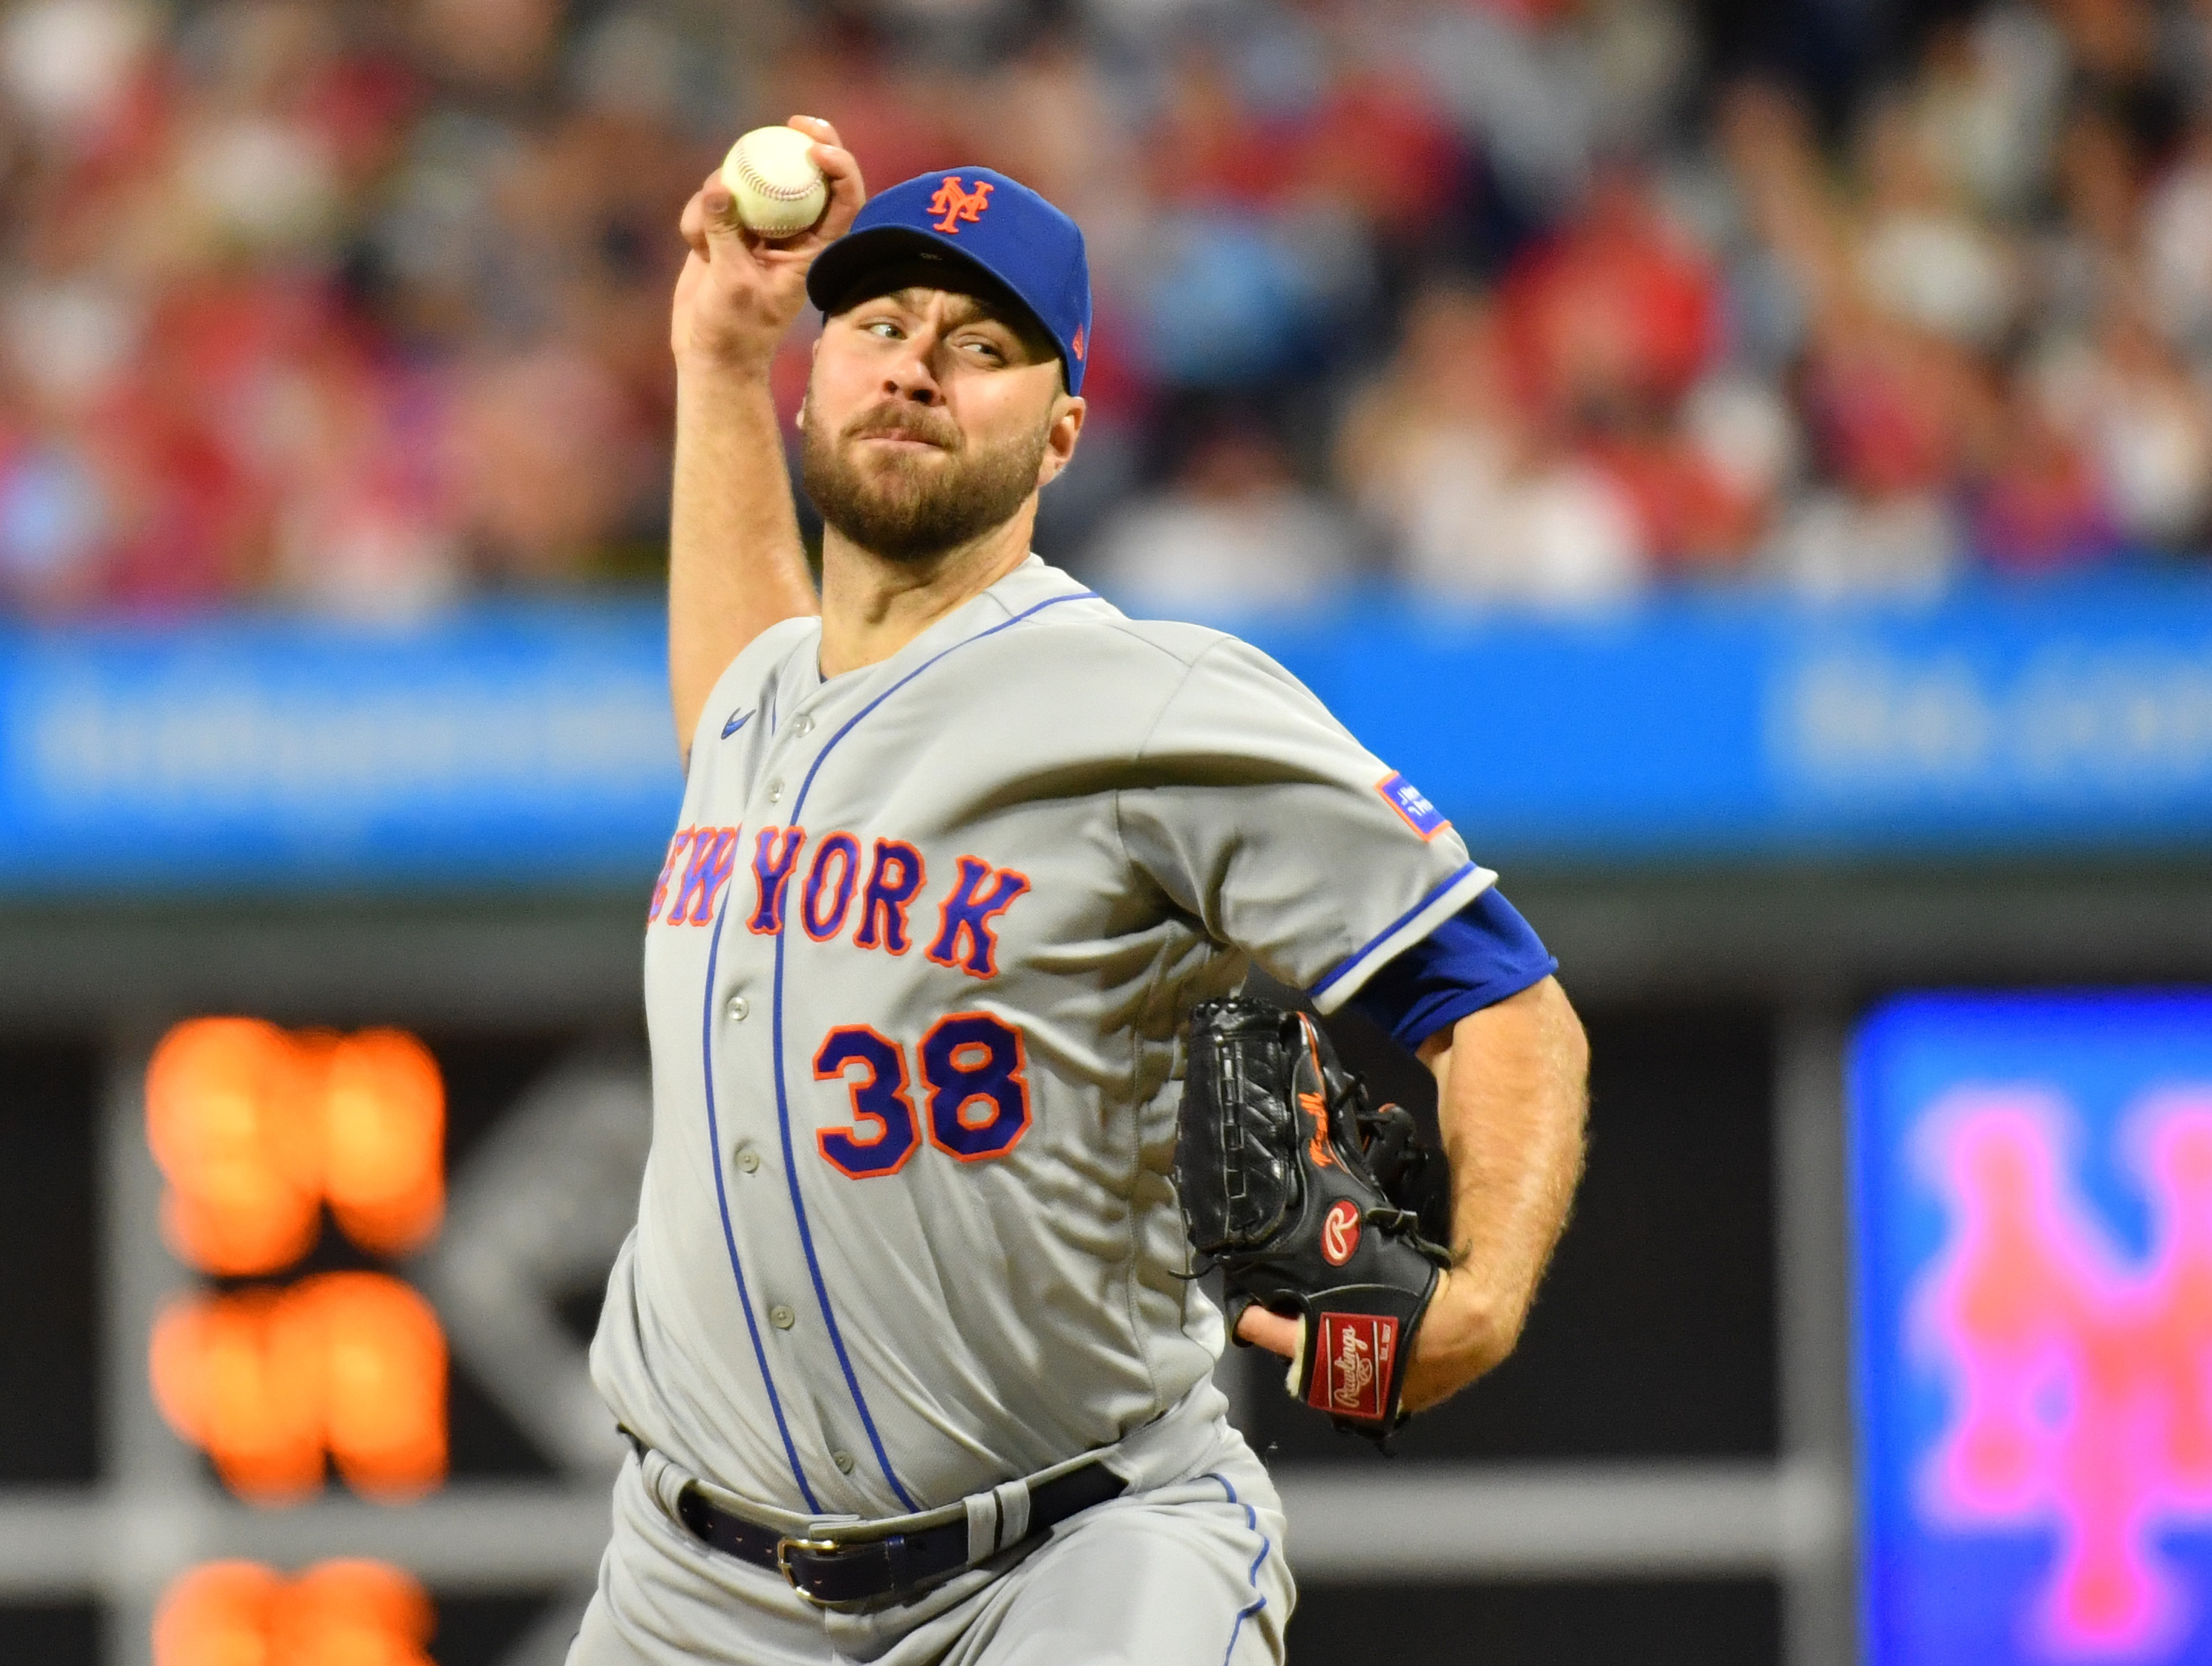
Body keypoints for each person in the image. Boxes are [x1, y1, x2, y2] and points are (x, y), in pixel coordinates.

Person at [571, 117, 1591, 1665]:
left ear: (1060, 435)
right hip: (691, 1590)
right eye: (882, 327)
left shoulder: (1147, 702)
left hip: (1070, 1559)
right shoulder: (771, 697)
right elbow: (739, 703)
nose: (915, 367)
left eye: (982, 345)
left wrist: (1482, 1301)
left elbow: (1503, 997)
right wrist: (717, 362)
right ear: (818, 376)